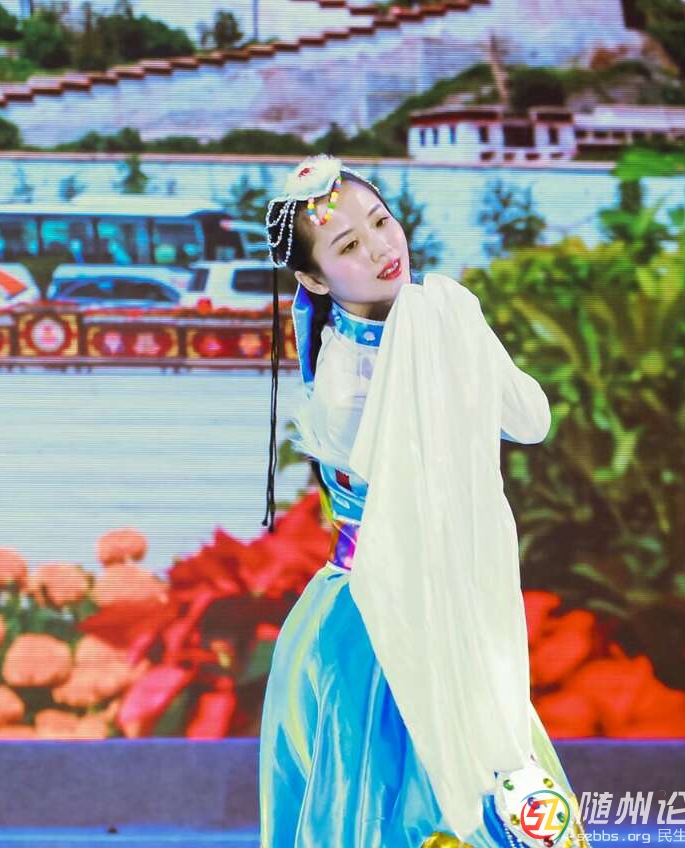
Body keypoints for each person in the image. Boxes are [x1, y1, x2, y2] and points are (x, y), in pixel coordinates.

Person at [256, 155, 586, 848]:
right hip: (383, 621)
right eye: (349, 244)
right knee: (403, 809)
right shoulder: (348, 384)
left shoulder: (435, 318)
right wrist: (446, 341)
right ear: (314, 279)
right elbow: (424, 504)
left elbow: (531, 419)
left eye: (382, 222)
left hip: (450, 608)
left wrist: (462, 326)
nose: (382, 248)